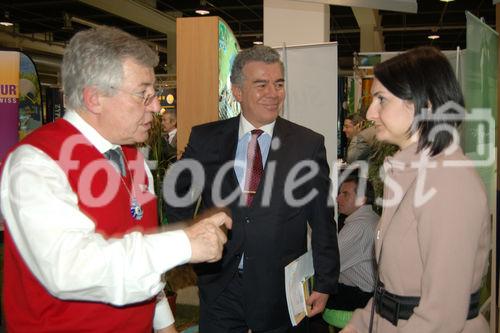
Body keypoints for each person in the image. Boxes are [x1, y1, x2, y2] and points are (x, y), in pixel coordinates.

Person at [0, 26, 231, 333]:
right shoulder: (35, 163)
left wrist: (164, 326)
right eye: (143, 94)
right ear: (94, 98)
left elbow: (140, 257)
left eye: (154, 94)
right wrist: (183, 243)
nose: (156, 106)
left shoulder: (134, 159)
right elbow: (70, 268)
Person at [165, 45, 339, 332]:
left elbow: (322, 218)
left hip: (280, 288)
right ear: (237, 91)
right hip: (220, 284)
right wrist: (190, 245)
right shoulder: (206, 138)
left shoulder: (307, 144)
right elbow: (178, 196)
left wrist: (325, 281)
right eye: (261, 84)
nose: (273, 93)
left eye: (279, 84)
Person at [341, 46, 490, 333]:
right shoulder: (409, 174)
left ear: (427, 104)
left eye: (381, 99)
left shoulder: (449, 181)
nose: (371, 112)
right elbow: (392, 292)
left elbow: (442, 316)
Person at [329, 177, 378, 312]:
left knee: (307, 294)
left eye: (345, 194)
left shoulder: (357, 227)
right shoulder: (372, 217)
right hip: (372, 294)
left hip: (362, 298)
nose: (338, 199)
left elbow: (329, 263)